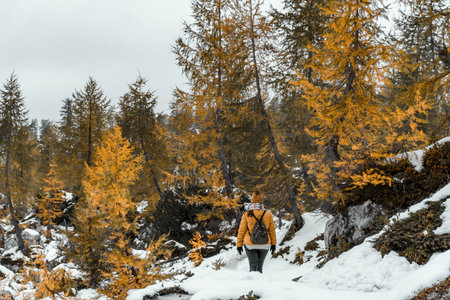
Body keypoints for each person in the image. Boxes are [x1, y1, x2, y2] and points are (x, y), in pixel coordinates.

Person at [236, 190, 276, 273]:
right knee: (260, 268)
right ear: (261, 202)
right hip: (265, 244)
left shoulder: (247, 214)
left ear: (252, 201)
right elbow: (272, 230)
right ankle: (260, 284)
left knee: (253, 266)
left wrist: (239, 245)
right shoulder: (268, 213)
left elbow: (241, 231)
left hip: (250, 244)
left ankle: (252, 285)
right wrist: (273, 244)